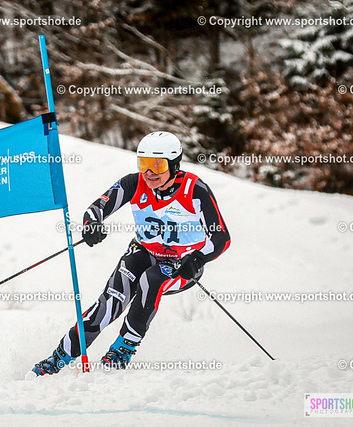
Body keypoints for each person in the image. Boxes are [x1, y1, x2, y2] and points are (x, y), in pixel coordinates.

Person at [32, 131, 231, 375]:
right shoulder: (134, 183)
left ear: (174, 165)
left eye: (157, 165)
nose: (149, 172)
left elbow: (221, 237)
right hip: (143, 251)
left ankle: (123, 348)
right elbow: (97, 208)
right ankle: (58, 358)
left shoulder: (195, 189)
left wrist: (198, 258)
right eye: (143, 163)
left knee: (152, 279)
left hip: (183, 263)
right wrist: (92, 224)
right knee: (110, 301)